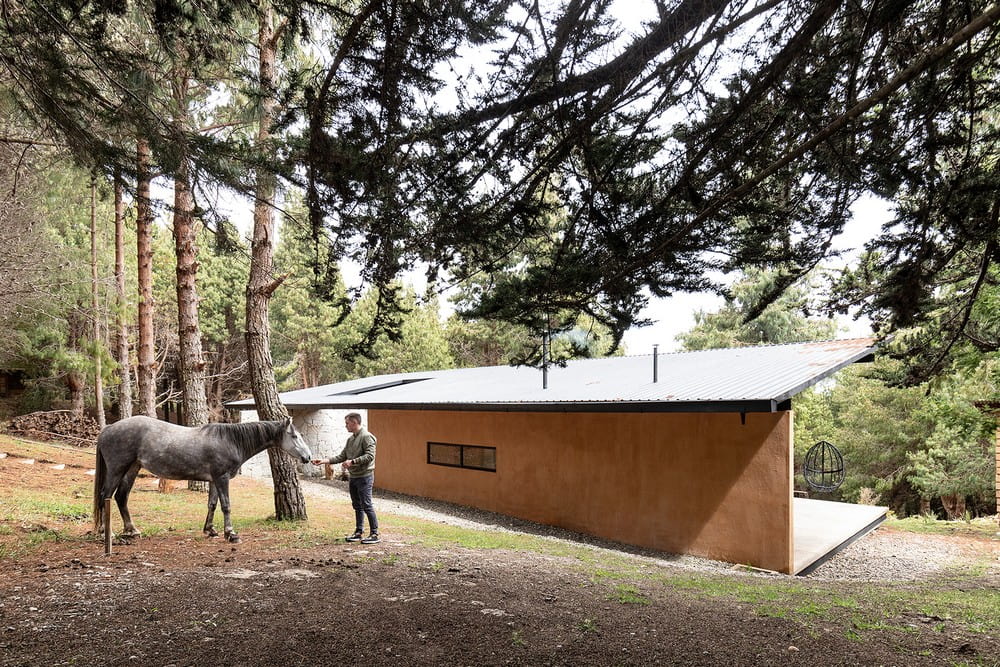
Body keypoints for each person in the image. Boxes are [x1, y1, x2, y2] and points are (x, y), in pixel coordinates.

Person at [312, 412, 379, 544]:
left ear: (354, 423)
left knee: (367, 505)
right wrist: (324, 461)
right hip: (353, 477)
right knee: (357, 505)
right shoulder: (351, 439)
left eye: (347, 423)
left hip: (364, 476)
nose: (345, 426)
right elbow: (342, 456)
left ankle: (374, 533)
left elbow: (370, 456)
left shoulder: (367, 437)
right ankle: (359, 532)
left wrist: (352, 462)